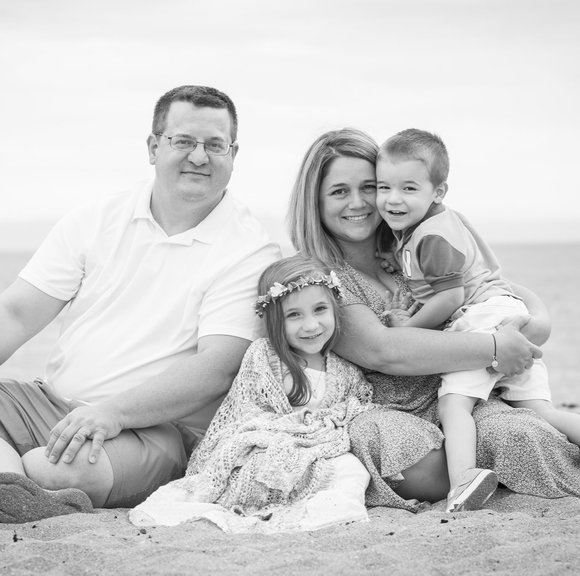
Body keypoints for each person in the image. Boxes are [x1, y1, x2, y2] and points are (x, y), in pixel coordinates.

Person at [0, 85, 281, 523]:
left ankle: (18, 478)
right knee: (40, 463)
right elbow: (16, 313)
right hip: (52, 403)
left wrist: (111, 413)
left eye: (214, 145)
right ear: (153, 147)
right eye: (183, 141)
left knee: (57, 470)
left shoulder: (249, 250)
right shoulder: (97, 218)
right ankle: (13, 486)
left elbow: (217, 367)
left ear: (233, 153)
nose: (199, 157)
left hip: (155, 429)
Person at [287, 127, 580, 513]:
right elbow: (384, 350)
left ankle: (490, 470)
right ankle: (469, 477)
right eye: (339, 191)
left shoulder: (417, 244)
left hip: (465, 393)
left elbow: (500, 290)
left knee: (518, 432)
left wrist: (536, 324)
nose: (358, 202)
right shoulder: (319, 277)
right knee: (384, 438)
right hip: (394, 410)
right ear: (315, 200)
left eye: (370, 187)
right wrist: (495, 347)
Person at [129, 255, 372, 532]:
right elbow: (247, 412)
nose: (311, 325)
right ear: (275, 319)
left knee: (350, 469)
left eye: (320, 309)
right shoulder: (265, 357)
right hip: (267, 447)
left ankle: (318, 513)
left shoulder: (344, 368)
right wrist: (290, 434)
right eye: (294, 315)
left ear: (335, 309)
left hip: (319, 452)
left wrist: (321, 430)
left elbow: (356, 408)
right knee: (260, 469)